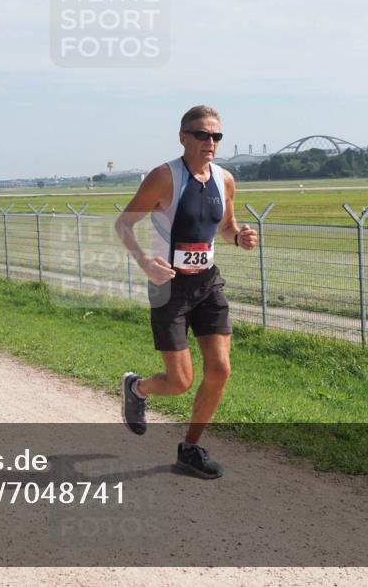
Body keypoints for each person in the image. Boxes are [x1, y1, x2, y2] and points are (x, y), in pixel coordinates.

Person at [115, 105, 258, 479]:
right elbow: (124, 224)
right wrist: (146, 262)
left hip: (207, 283)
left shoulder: (225, 179)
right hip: (169, 289)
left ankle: (191, 448)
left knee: (220, 369)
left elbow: (226, 227)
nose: (210, 142)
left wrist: (238, 237)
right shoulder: (165, 177)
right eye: (201, 135)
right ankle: (137, 388)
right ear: (183, 137)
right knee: (179, 382)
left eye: (216, 136)